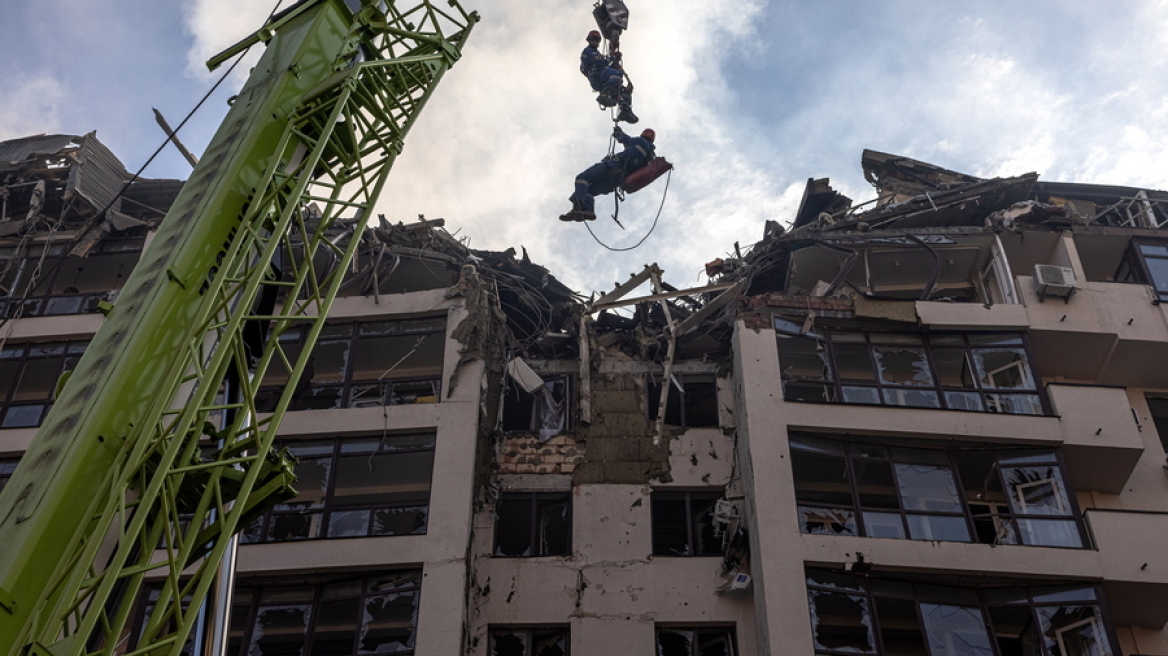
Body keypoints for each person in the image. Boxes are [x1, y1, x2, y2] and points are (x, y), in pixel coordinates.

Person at [561, 126, 656, 222]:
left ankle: (578, 206)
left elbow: (624, 139)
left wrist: (618, 132)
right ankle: (587, 210)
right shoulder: (650, 158)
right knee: (589, 191)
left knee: (582, 178)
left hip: (613, 167)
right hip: (617, 180)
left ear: (643, 134)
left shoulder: (641, 141)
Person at [579, 30, 638, 124]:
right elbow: (598, 63)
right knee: (618, 75)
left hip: (601, 77)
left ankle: (625, 110)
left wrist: (614, 60)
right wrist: (611, 58)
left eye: (597, 40)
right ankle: (604, 95)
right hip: (596, 75)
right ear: (589, 40)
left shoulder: (597, 53)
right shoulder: (588, 51)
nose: (595, 42)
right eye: (593, 39)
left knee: (623, 91)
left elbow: (604, 63)